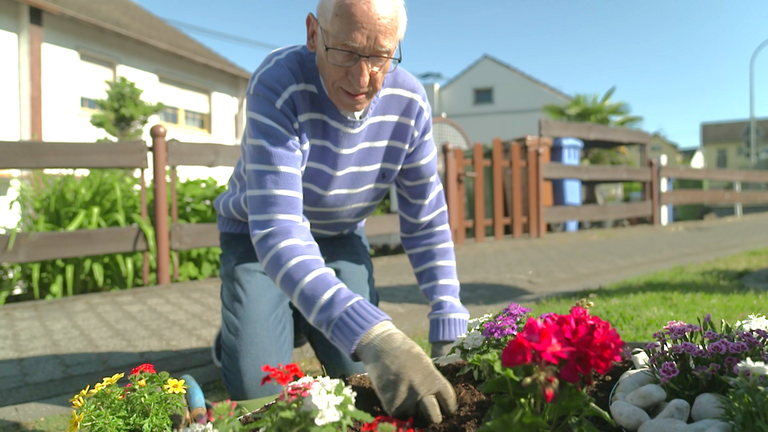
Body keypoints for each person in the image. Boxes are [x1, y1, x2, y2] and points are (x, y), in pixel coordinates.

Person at [211, 0, 469, 423]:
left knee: (362, 378)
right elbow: (279, 230)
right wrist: (375, 334)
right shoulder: (279, 83)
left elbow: (425, 218)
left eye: (381, 56)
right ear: (314, 34)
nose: (362, 78)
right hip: (257, 238)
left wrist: (448, 315)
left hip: (339, 234)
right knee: (264, 396)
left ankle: (295, 315)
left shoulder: (409, 103)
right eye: (346, 51)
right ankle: (244, 329)